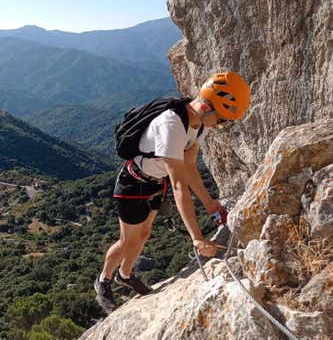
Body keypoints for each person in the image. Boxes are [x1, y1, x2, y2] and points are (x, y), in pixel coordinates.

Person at [94, 72, 251, 313]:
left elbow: (189, 168)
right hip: (133, 184)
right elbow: (179, 186)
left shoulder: (199, 124)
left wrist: (210, 203)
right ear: (208, 106)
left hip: (155, 183)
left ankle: (124, 275)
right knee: (128, 240)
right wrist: (196, 237)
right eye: (222, 119)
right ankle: (104, 280)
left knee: (144, 235)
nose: (222, 125)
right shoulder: (171, 125)